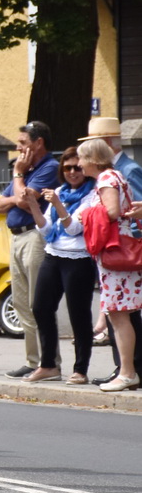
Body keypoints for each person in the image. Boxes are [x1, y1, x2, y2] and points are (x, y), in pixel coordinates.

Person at [0, 121, 58, 379]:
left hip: (35, 237)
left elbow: (24, 201)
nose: (18, 148)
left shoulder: (49, 167)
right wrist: (16, 192)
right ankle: (33, 360)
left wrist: (18, 174)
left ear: (38, 143)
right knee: (21, 302)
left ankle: (49, 361)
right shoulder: (26, 170)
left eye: (22, 142)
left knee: (37, 302)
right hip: (17, 238)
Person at [28, 146, 96, 385]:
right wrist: (34, 205)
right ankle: (48, 365)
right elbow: (46, 229)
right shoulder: (60, 191)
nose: (73, 172)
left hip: (79, 259)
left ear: (85, 169)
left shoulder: (93, 194)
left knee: (79, 315)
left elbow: (74, 228)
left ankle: (80, 369)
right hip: (54, 254)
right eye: (67, 168)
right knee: (40, 307)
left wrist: (57, 203)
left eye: (78, 167)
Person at [80, 137, 142, 392]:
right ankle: (127, 371)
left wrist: (86, 213)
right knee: (118, 315)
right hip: (116, 252)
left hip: (115, 252)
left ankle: (127, 372)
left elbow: (112, 211)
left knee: (118, 315)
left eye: (83, 158)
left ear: (93, 159)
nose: (80, 163)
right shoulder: (113, 176)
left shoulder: (106, 178)